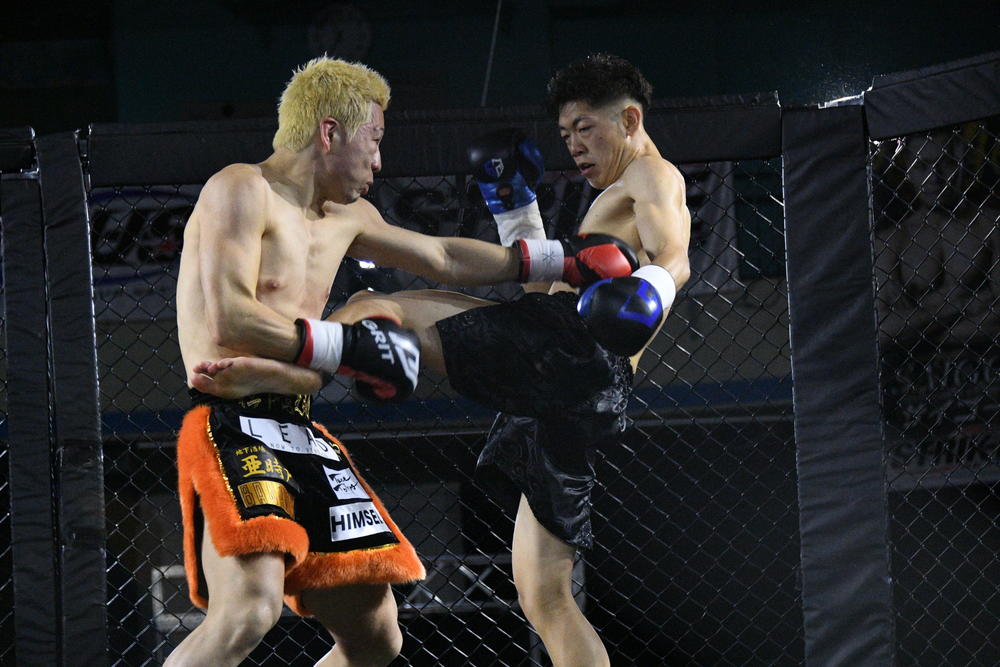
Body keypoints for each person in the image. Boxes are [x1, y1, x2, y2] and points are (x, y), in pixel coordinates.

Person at [192, 53, 691, 667]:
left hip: (569, 352)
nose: (575, 146)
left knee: (373, 306)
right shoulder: (611, 198)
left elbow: (675, 258)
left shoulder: (652, 175)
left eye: (585, 128)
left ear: (630, 119)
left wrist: (651, 289)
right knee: (544, 596)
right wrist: (519, 213)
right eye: (566, 134)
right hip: (572, 392)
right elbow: (531, 288)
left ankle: (288, 372)